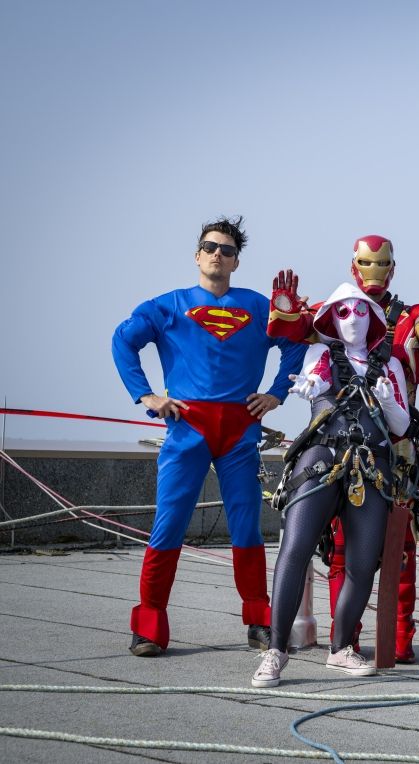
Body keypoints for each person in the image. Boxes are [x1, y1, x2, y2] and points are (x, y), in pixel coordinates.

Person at [112, 216, 305, 657]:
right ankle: (149, 626)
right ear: (198, 255)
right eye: (210, 247)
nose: (218, 254)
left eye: (228, 249)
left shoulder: (260, 307)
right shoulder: (168, 305)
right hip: (187, 427)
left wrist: (276, 394)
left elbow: (295, 344)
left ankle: (259, 621)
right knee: (169, 525)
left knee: (247, 528)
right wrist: (145, 395)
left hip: (240, 431)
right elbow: (123, 341)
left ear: (237, 261)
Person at [268, 235, 419, 663]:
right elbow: (295, 329)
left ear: (394, 266)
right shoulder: (336, 312)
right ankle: (344, 639)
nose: (374, 269)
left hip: (396, 445)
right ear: (354, 265)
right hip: (332, 443)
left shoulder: (409, 317)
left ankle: (397, 638)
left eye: (382, 262)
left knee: (395, 548)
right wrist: (283, 310)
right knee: (335, 547)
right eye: (366, 261)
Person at [252, 283, 414, 687]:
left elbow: (401, 425)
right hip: (321, 457)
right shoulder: (319, 354)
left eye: (361, 312)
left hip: (372, 465)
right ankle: (276, 650)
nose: (353, 320)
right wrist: (309, 386)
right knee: (295, 549)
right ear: (331, 319)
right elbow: (312, 381)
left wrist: (389, 401)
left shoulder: (390, 365)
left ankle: (341, 647)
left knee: (362, 563)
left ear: (373, 318)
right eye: (343, 313)